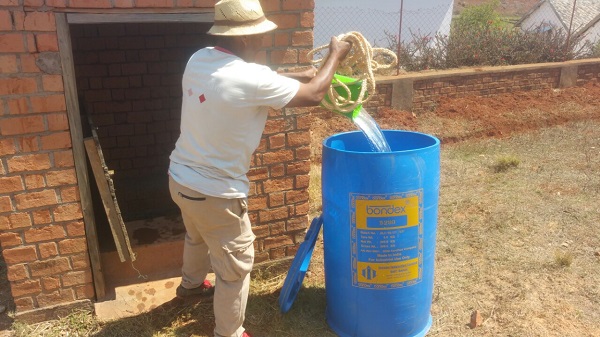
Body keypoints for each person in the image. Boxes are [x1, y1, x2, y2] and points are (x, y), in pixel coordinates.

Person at [167, 0, 351, 336]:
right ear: (249, 38)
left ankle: (190, 287)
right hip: (216, 194)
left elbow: (266, 79)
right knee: (235, 266)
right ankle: (230, 332)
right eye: (261, 36)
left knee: (196, 235)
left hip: (180, 179)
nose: (264, 41)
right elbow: (311, 95)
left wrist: (307, 72)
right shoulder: (249, 78)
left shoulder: (200, 59)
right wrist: (335, 54)